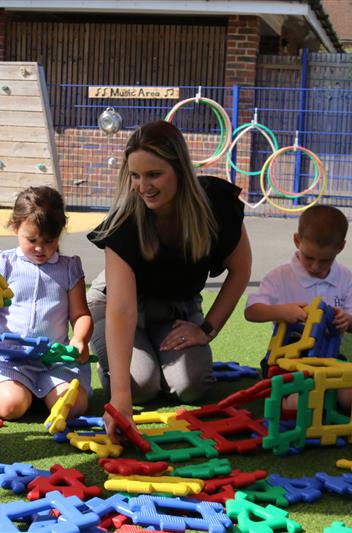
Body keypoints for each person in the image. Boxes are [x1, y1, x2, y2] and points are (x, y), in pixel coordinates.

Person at [87, 120, 251, 442]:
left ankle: (154, 358)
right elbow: (122, 310)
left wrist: (206, 329)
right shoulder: (124, 223)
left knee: (192, 386)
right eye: (134, 175)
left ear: (179, 170)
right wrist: (120, 398)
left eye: (153, 174)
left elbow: (241, 270)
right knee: (139, 387)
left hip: (177, 309)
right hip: (118, 307)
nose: (142, 185)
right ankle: (118, 362)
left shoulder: (216, 203)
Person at [0, 186, 93, 420]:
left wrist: (79, 338)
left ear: (60, 233)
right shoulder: (4, 263)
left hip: (53, 361)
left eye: (49, 241)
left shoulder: (68, 268)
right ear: (16, 226)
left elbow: (80, 314)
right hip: (9, 358)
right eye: (31, 239)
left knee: (74, 408)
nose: (39, 248)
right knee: (11, 407)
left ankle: (37, 393)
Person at [244, 205, 352, 411]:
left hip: (329, 358)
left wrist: (347, 320)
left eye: (325, 260)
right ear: (297, 241)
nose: (315, 267)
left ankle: (326, 399)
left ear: (341, 247)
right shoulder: (280, 276)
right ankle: (294, 400)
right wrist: (282, 311)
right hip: (285, 361)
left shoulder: (345, 278)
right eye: (309, 257)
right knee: (299, 403)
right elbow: (251, 311)